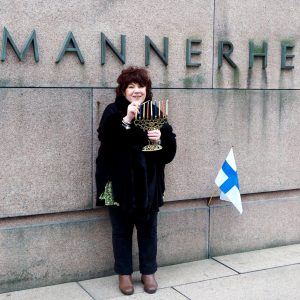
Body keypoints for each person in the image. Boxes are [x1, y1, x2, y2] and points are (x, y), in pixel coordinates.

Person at [95, 66, 176, 295]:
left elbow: (168, 153)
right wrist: (127, 120)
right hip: (117, 186)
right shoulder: (113, 111)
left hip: (148, 187)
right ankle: (124, 275)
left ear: (147, 89)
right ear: (123, 90)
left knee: (148, 230)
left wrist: (161, 138)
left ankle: (148, 272)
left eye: (140, 86)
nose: (136, 90)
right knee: (121, 231)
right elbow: (107, 142)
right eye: (131, 86)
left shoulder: (154, 111)